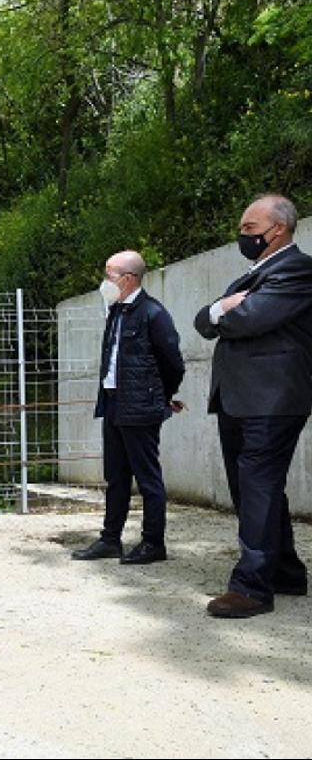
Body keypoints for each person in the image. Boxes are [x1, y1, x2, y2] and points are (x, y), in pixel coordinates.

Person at [194, 193, 312, 618]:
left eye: (249, 229)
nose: (242, 236)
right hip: (240, 397)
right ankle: (286, 572)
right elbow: (204, 323)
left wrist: (227, 313)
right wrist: (220, 307)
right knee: (256, 488)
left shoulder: (298, 268)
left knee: (257, 485)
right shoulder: (254, 273)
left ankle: (252, 587)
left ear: (277, 229)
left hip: (272, 399)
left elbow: (251, 319)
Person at [71, 251, 185, 565]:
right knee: (116, 477)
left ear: (129, 278)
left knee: (148, 478)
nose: (104, 282)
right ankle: (111, 540)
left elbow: (173, 362)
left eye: (110, 275)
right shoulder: (116, 312)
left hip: (140, 406)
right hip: (113, 403)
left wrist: (161, 396)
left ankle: (153, 543)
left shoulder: (152, 313)